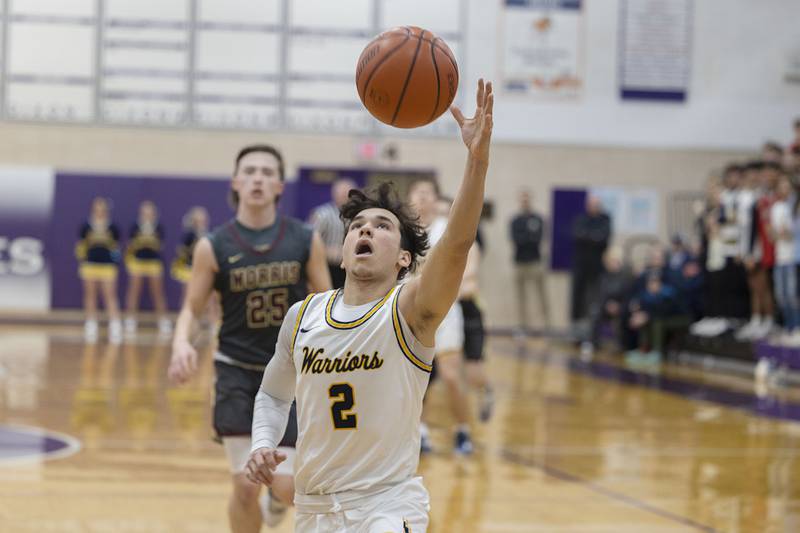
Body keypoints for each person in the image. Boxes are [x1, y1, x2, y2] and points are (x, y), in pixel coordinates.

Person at [245, 79, 493, 532]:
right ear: (343, 246)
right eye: (358, 225)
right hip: (316, 509)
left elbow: (455, 246)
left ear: (404, 258)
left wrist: (476, 162)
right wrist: (263, 443)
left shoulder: (410, 311)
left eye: (382, 226)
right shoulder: (303, 317)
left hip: (386, 506)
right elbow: (273, 393)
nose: (365, 231)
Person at [167, 144, 331, 532]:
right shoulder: (214, 245)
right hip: (237, 374)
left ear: (278, 185)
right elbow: (192, 307)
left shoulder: (305, 239)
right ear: (236, 182)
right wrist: (180, 343)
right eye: (250, 171)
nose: (258, 177)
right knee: (244, 486)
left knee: (286, 487)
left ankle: (277, 504)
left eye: (267, 171)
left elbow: (326, 306)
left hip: (290, 375)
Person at [408, 177, 473, 455]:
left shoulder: (447, 230)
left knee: (449, 376)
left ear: (436, 199)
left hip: (445, 313)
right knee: (413, 379)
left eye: (427, 193)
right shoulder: (402, 233)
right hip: (412, 311)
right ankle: (420, 431)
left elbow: (466, 274)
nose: (422, 198)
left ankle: (463, 429)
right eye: (417, 193)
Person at [75, 197, 123, 343]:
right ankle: (91, 324)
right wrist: (83, 260)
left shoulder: (112, 227)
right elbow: (81, 246)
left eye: (102, 208)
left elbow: (116, 248)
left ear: (106, 210)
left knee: (110, 295)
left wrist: (115, 261)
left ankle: (115, 326)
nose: (100, 211)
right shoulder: (86, 227)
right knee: (90, 295)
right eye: (97, 208)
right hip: (90, 265)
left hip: (107, 266)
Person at [124, 200, 171, 336]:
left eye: (150, 212)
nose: (147, 215)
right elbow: (130, 245)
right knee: (134, 291)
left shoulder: (159, 227)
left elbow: (160, 244)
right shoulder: (135, 227)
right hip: (137, 262)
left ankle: (162, 320)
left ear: (154, 214)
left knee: (158, 293)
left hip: (153, 263)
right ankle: (130, 319)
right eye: (145, 212)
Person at [509, 190, 550, 333]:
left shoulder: (538, 219)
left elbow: (537, 239)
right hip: (520, 262)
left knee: (541, 294)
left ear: (531, 200)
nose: (525, 202)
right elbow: (516, 240)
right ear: (520, 201)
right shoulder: (515, 220)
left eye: (527, 199)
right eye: (522, 199)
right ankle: (522, 326)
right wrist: (528, 237)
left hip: (535, 262)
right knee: (521, 296)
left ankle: (545, 326)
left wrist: (526, 238)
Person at [308, 177, 357, 289]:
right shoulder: (322, 214)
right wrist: (325, 251)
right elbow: (308, 241)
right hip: (329, 266)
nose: (344, 196)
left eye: (347, 193)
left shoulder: (358, 215)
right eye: (341, 193)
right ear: (334, 194)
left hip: (350, 266)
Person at [570, 195, 611, 323]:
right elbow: (578, 236)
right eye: (591, 204)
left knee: (595, 299)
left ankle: (594, 331)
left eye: (596, 204)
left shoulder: (605, 219)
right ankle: (576, 333)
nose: (594, 207)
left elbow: (603, 238)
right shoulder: (581, 219)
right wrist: (594, 236)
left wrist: (588, 236)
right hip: (581, 264)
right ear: (587, 206)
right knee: (578, 299)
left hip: (597, 266)